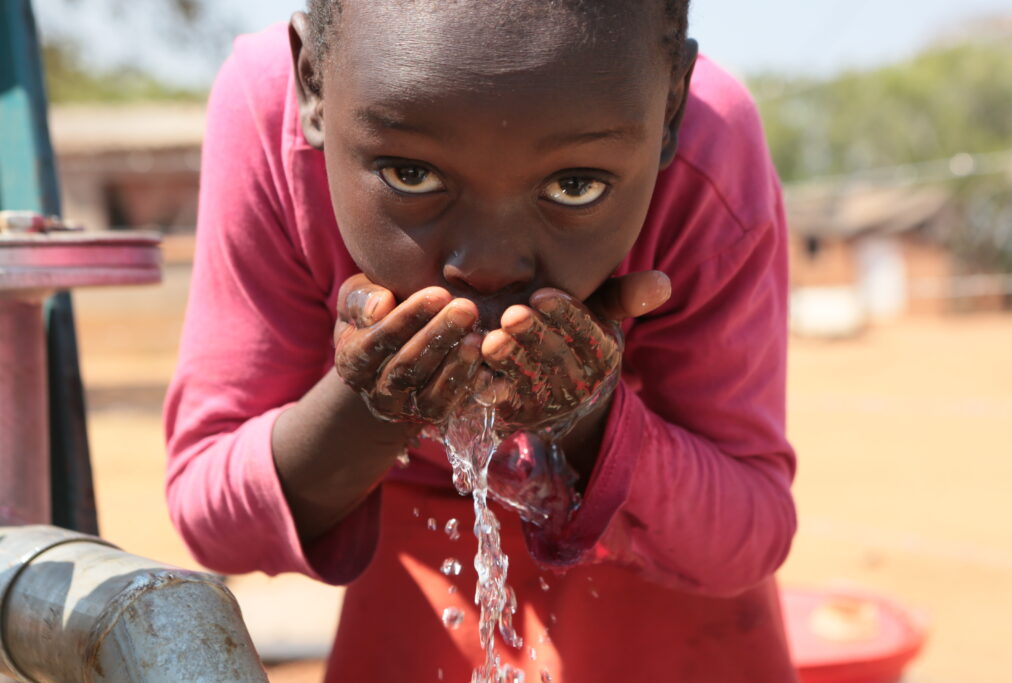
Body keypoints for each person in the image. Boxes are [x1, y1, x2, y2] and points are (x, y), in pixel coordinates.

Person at [164, 1, 799, 680]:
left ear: (670, 107)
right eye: (412, 174)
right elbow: (210, 511)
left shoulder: (712, 151)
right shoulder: (269, 117)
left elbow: (748, 532)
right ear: (313, 83)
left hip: (664, 599)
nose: (489, 264)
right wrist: (369, 407)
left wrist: (590, 422)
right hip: (417, 597)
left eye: (574, 185)